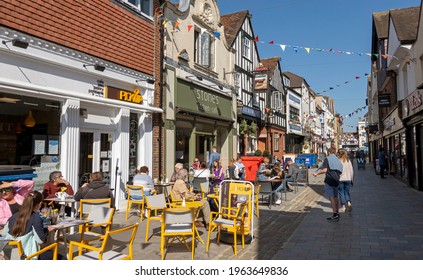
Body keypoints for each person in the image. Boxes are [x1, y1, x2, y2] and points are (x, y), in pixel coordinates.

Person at [2, 191, 60, 260]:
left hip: (12, 256)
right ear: (40, 203)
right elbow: (40, 240)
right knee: (59, 256)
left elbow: (4, 234)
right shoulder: (36, 218)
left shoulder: (13, 216)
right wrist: (47, 230)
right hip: (29, 256)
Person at [313, 147, 343, 222]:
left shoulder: (328, 159)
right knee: (336, 197)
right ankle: (337, 212)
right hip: (336, 180)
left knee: (331, 197)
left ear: (329, 152)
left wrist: (316, 173)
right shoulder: (337, 159)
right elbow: (341, 170)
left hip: (329, 180)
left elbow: (325, 169)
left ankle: (334, 214)